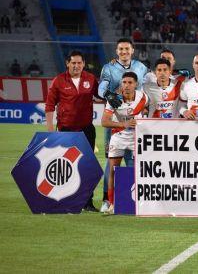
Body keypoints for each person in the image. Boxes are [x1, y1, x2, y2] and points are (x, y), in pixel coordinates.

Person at [98, 38, 149, 212]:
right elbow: (101, 87)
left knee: (135, 163)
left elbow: (154, 80)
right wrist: (107, 95)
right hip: (116, 120)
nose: (124, 52)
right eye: (121, 49)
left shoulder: (141, 67)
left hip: (136, 123)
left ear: (132, 50)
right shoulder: (109, 67)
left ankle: (133, 198)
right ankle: (107, 199)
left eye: (127, 49)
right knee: (111, 163)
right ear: (116, 51)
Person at [45, 50, 99, 212]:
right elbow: (49, 106)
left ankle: (87, 202)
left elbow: (101, 96)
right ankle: (64, 200)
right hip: (66, 130)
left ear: (83, 64)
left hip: (87, 129)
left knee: (87, 166)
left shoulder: (90, 79)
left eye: (79, 63)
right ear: (67, 63)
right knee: (64, 167)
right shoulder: (59, 81)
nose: (76, 66)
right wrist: (50, 131)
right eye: (73, 63)